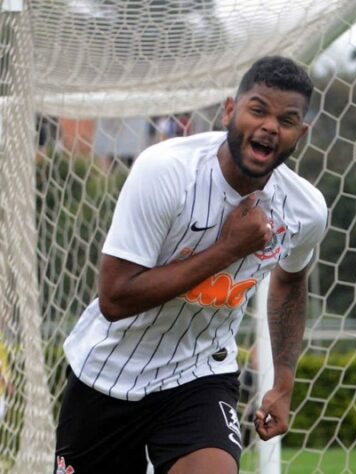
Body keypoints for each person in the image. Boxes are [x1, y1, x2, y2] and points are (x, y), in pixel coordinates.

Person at [54, 56, 327, 474]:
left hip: (199, 374)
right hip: (107, 376)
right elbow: (115, 297)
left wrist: (284, 382)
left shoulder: (305, 210)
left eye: (287, 120)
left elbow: (290, 283)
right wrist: (227, 249)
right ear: (230, 111)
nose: (271, 126)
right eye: (258, 110)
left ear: (300, 134)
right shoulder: (165, 171)